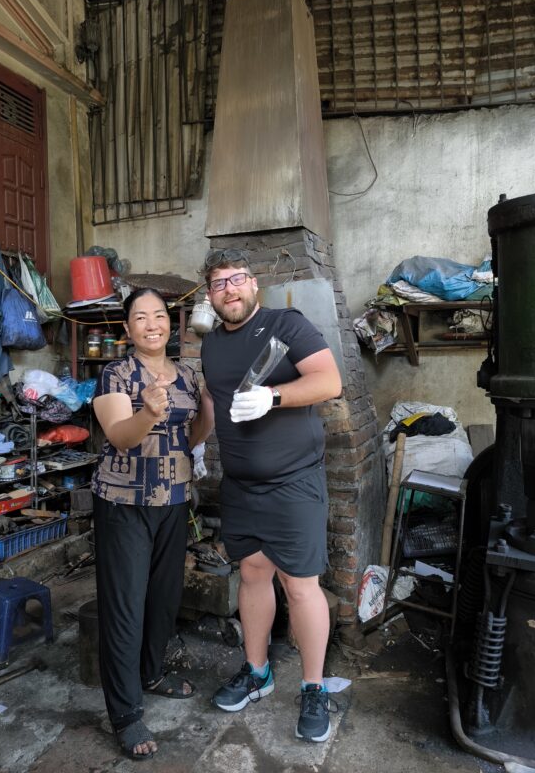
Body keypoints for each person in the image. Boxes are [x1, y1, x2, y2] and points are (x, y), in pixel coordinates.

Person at [199, 248, 342, 743]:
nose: (230, 290)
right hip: (240, 485)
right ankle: (256, 672)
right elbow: (212, 404)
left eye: (237, 279)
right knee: (252, 574)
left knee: (301, 585)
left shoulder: (288, 324)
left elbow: (329, 381)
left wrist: (274, 396)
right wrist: (192, 443)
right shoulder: (212, 345)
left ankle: (314, 687)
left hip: (294, 482)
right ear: (210, 295)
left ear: (253, 284)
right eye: (219, 284)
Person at [92, 287, 210, 760]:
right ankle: (124, 712)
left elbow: (193, 434)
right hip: (124, 501)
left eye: (159, 315)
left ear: (171, 323)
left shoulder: (186, 373)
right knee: (125, 604)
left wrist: (213, 411)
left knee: (163, 597)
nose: (152, 323)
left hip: (175, 497)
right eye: (140, 317)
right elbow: (120, 437)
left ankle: (152, 672)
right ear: (128, 329)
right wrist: (148, 412)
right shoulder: (115, 374)